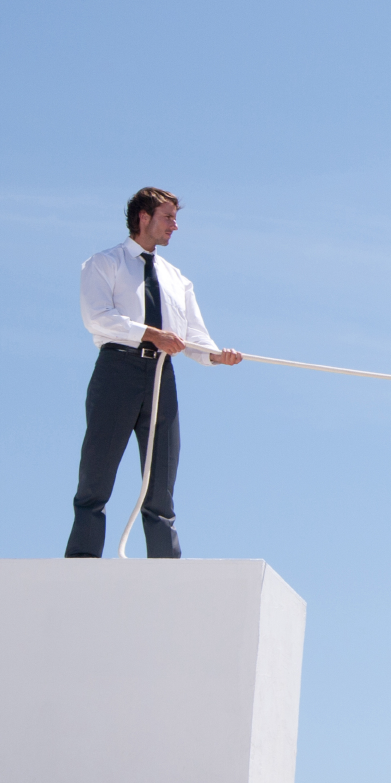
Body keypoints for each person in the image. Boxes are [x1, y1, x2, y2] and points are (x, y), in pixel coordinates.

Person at [65, 188, 242, 559]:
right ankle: (81, 564)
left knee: (161, 482)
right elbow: (96, 317)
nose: (174, 226)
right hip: (117, 370)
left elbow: (193, 337)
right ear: (143, 217)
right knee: (96, 475)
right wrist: (151, 333)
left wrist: (217, 356)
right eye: (168, 217)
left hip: (163, 376)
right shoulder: (104, 263)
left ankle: (166, 570)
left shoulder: (177, 278)